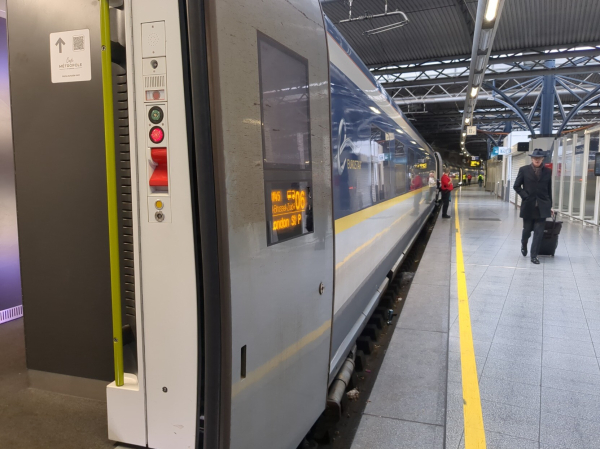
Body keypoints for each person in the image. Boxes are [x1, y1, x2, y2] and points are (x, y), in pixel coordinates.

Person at [513, 148, 553, 264]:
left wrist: (550, 206)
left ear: (542, 159)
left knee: (539, 233)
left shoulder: (547, 172)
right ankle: (524, 243)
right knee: (527, 230)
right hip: (529, 206)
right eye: (535, 158)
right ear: (531, 158)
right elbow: (516, 186)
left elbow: (549, 189)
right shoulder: (524, 170)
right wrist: (525, 196)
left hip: (542, 207)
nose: (537, 160)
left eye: (539, 158)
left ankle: (534, 256)